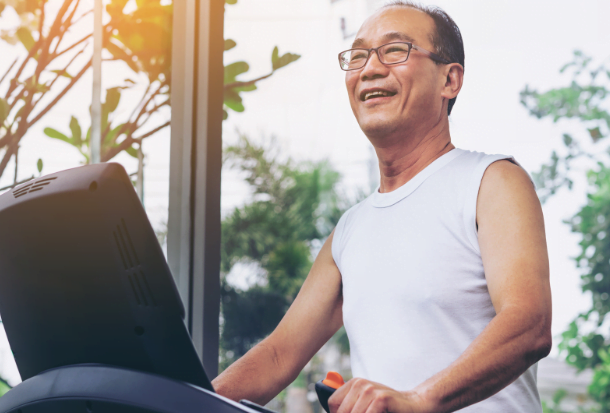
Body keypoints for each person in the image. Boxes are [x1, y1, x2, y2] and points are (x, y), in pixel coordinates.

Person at [213, 2, 552, 412]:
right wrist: (180, 402)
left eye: (395, 51)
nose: (370, 69)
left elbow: (529, 323)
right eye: (358, 56)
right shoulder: (351, 229)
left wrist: (419, 400)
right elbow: (279, 355)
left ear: (450, 79)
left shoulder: (492, 182)